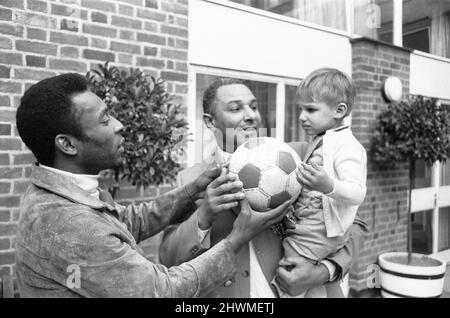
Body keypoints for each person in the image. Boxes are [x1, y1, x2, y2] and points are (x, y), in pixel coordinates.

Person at [14, 73, 291, 298]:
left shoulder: (67, 192)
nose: (120, 124)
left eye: (253, 106)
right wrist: (236, 237)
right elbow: (162, 290)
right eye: (105, 119)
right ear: (67, 144)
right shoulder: (70, 225)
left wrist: (191, 191)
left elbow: (130, 220)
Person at [159, 78, 368, 298]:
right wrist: (204, 214)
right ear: (211, 122)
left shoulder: (299, 157)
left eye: (254, 106)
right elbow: (169, 259)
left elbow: (356, 223)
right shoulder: (190, 179)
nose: (251, 115)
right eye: (236, 108)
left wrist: (322, 272)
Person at [271, 68, 367, 298]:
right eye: (301, 109)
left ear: (339, 110)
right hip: (310, 226)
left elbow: (357, 193)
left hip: (320, 231)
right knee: (309, 283)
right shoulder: (322, 140)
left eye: (311, 109)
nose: (302, 116)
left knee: (291, 267)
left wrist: (328, 185)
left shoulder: (348, 145)